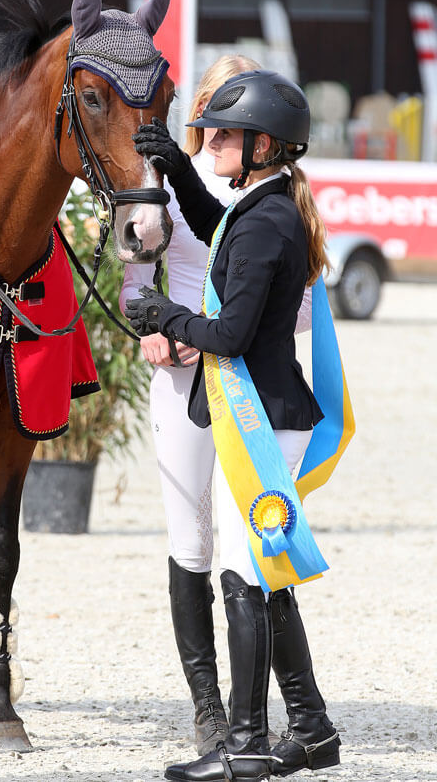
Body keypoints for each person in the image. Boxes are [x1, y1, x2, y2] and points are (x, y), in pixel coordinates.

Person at [125, 69, 341, 781]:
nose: (209, 139)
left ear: (263, 146)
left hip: (262, 419)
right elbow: (218, 231)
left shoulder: (268, 220)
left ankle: (244, 746)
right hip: (269, 411)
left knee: (243, 577)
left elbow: (232, 333)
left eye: (222, 134)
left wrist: (165, 316)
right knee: (261, 575)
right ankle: (311, 730)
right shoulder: (264, 210)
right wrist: (181, 167)